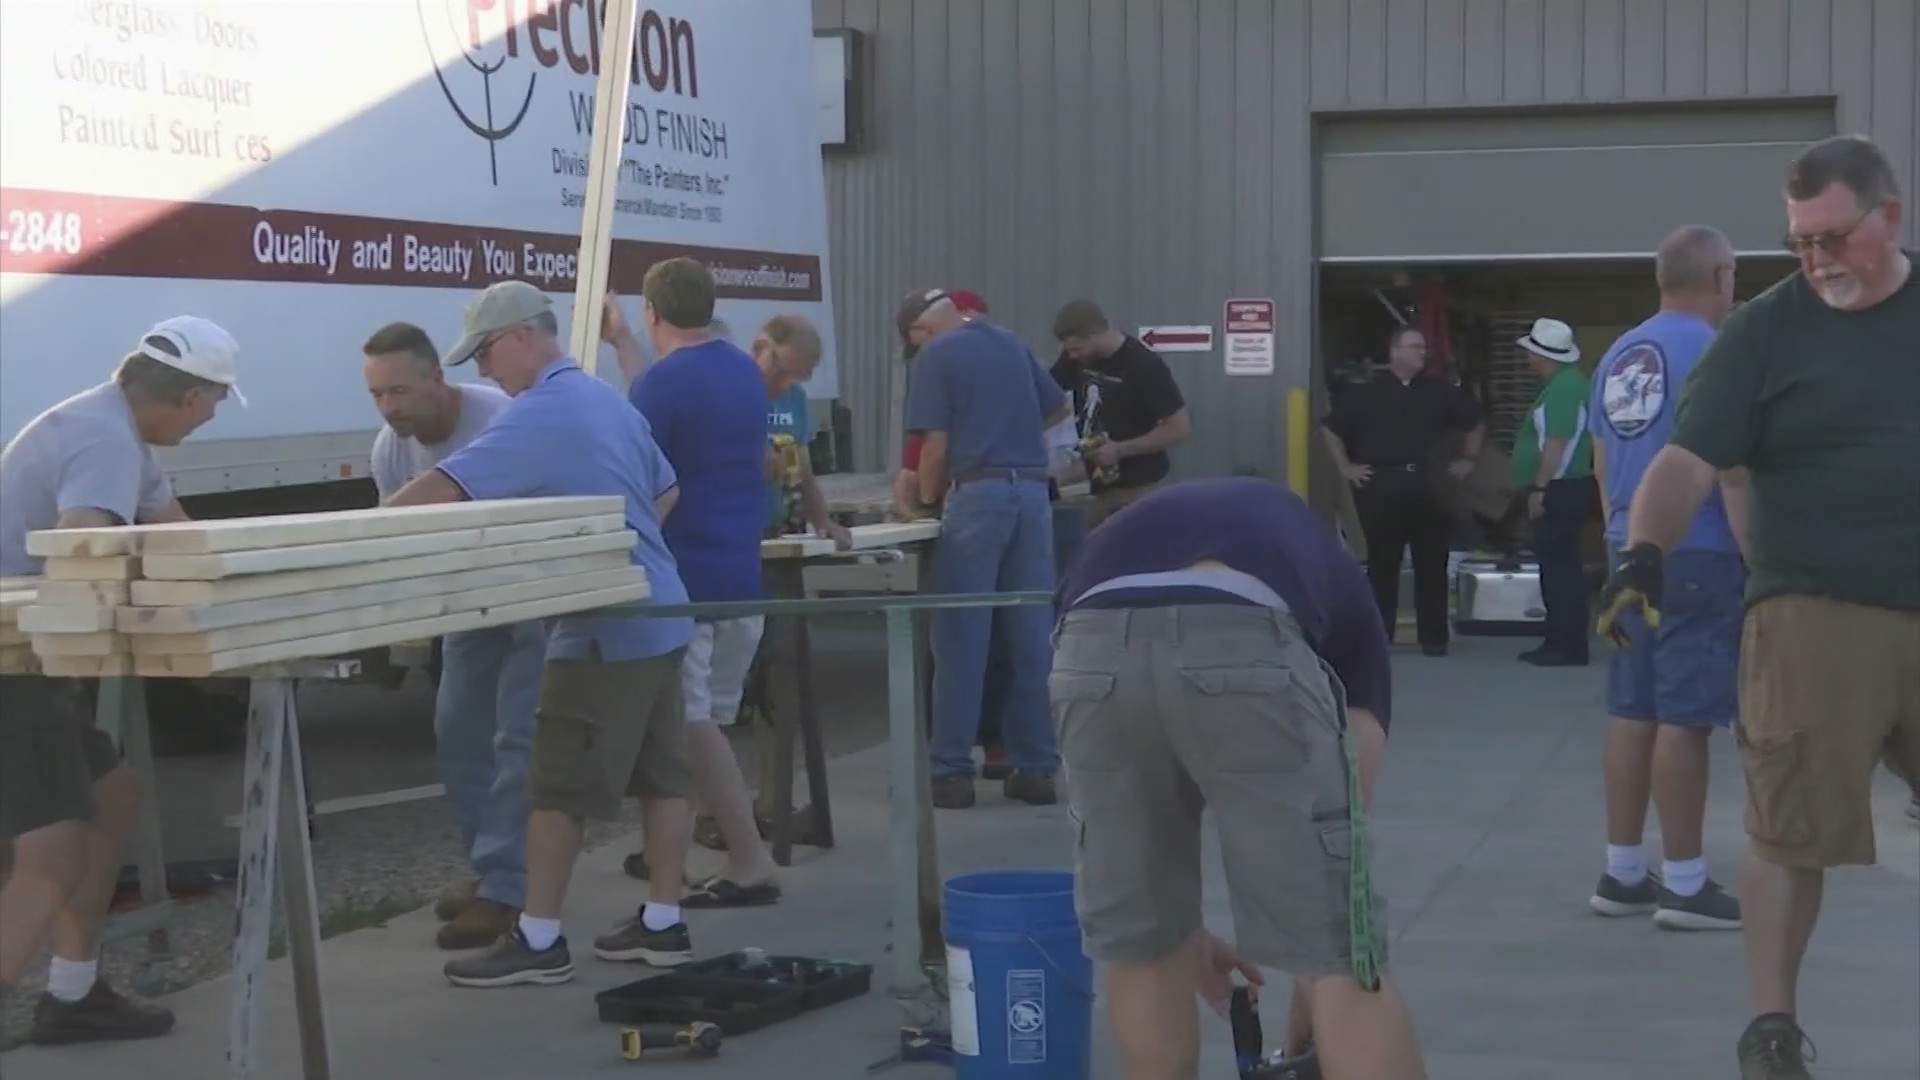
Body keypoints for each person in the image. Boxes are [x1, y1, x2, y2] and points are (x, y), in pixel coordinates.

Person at [1600, 134, 1917, 1080]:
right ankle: (1771, 1030)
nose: (1817, 260)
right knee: (1788, 826)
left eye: (1834, 237)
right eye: (1800, 243)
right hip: (1813, 612)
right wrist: (1642, 556)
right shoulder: (1766, 330)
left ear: (1890, 218)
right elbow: (1688, 458)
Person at [1052, 477, 1426, 1080]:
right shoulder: (1337, 575)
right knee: (1341, 952)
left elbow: (1128, 679)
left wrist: (1183, 928)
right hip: (1241, 626)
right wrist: (1314, 970)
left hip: (1089, 643)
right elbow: (1352, 791)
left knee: (1144, 944)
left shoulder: (1127, 530)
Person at [382, 280, 700, 987]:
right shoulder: (601, 399)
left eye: (487, 353)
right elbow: (667, 489)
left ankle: (539, 937)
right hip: (661, 610)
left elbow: (442, 491)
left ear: (524, 335)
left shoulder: (540, 413)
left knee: (552, 784)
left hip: (601, 627)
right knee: (662, 778)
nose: (484, 372)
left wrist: (344, 540)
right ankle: (662, 923)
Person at [0, 316, 244, 1043]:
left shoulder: (115, 429)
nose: (213, 419)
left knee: (114, 796)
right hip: (9, 660)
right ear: (194, 395)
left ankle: (74, 996)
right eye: (217, 403)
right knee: (51, 853)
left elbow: (176, 534)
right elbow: (83, 549)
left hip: (29, 655)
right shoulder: (106, 441)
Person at [361, 321, 544, 949]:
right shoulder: (390, 447)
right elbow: (398, 540)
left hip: (531, 593)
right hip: (465, 601)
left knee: (517, 736)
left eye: (401, 392)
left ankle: (509, 889)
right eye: (379, 396)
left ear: (438, 377)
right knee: (459, 731)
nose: (391, 408)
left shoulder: (501, 418)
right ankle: (492, 869)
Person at [1585, 226, 1745, 933]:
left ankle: (1623, 872)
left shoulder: (1618, 354)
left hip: (1629, 547)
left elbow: (1598, 459)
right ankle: (1685, 882)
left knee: (1631, 709)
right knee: (1686, 720)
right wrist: (1759, 560)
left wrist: (1621, 541)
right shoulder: (1716, 353)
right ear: (1718, 276)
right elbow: (1734, 467)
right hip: (1699, 552)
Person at [619, 258, 791, 908]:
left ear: (652, 312)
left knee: (691, 725)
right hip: (741, 572)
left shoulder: (661, 385)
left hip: (683, 574)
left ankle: (749, 859)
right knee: (711, 721)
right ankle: (670, 849)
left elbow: (642, 456)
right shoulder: (743, 374)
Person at [902, 289, 1067, 809]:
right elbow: (1056, 407)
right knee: (1030, 635)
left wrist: (926, 501)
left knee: (960, 637)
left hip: (978, 495)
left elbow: (936, 446)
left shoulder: (937, 355)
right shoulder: (1012, 344)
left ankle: (950, 773)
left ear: (923, 330)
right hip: (1032, 494)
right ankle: (1037, 768)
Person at [1321, 326, 1483, 656]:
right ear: (1394, 350)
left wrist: (1468, 459)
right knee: (1382, 565)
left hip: (1431, 486)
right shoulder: (1366, 393)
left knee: (1433, 563)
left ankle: (1434, 638)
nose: (1422, 353)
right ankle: (1380, 636)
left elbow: (1476, 420)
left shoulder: (1439, 392)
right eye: (1415, 347)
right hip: (1382, 486)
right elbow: (1331, 428)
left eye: (1423, 348)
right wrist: (1345, 468)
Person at [1049, 299, 1192, 527]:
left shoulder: (1143, 365)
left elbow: (1179, 428)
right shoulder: (1074, 359)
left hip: (1136, 488)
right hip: (1095, 485)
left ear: (1093, 335)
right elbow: (1049, 397)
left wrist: (1121, 450)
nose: (1072, 356)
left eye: (1076, 349)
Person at [1510, 317, 1596, 666]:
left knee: (1559, 569)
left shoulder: (1564, 388)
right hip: (1568, 487)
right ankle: (1561, 639)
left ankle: (1565, 643)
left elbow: (1557, 442)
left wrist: (1540, 488)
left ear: (1543, 356)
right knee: (1562, 567)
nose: (1526, 358)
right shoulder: (1568, 383)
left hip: (1560, 487)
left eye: (1529, 352)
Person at [757, 314, 851, 549]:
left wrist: (822, 521)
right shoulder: (734, 391)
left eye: (798, 376)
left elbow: (803, 471)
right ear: (761, 351)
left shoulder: (795, 397)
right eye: (781, 373)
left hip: (775, 529)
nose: (786, 385)